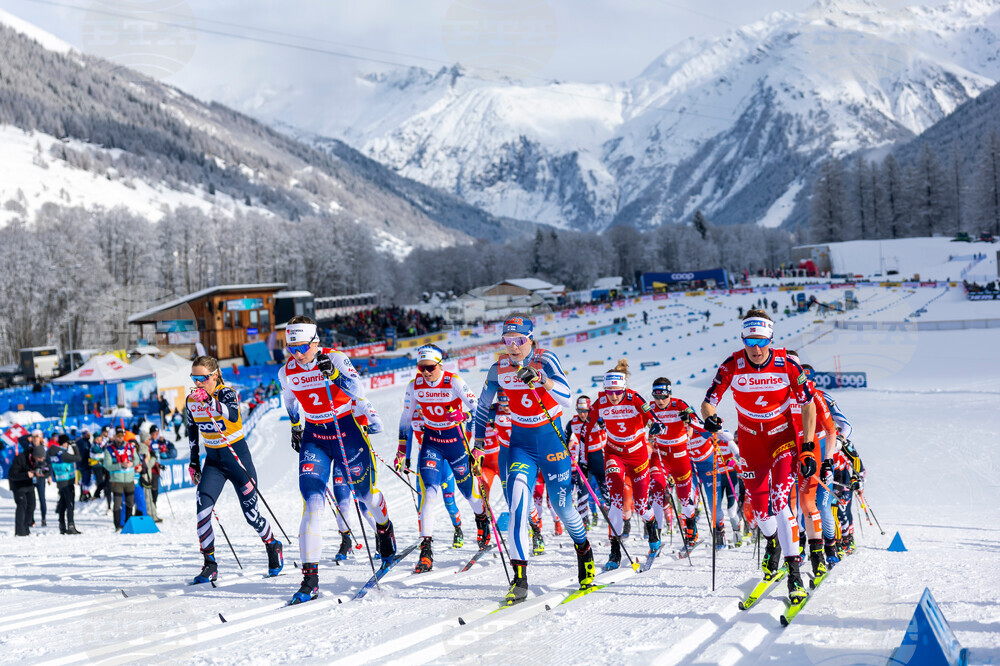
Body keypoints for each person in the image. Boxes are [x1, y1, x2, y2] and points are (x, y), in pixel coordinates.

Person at [473, 315, 594, 605]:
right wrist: (478, 443)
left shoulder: (545, 359)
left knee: (564, 509)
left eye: (520, 340)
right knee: (517, 508)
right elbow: (481, 406)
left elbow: (567, 397)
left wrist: (543, 380)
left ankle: (584, 550)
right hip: (521, 447)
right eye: (507, 340)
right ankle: (520, 578)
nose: (514, 346)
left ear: (530, 339)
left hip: (552, 444)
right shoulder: (499, 368)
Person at [279, 316, 396, 604]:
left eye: (302, 346)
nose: (297, 353)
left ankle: (385, 529)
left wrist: (334, 376)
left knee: (365, 494)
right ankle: (310, 580)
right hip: (315, 436)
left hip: (346, 430)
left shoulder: (337, 359)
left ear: (315, 341)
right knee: (313, 501)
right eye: (291, 347)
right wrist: (296, 426)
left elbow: (359, 392)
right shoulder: (287, 371)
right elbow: (290, 399)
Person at [701, 309, 815, 604]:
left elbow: (808, 405)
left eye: (761, 340)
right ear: (743, 338)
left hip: (781, 438)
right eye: (750, 340)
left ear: (770, 338)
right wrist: (710, 418)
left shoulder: (786, 363)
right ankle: (773, 543)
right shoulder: (732, 365)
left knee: (779, 501)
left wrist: (808, 447)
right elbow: (708, 402)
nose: (756, 347)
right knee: (760, 508)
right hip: (750, 442)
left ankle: (794, 573)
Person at [187, 356, 283, 583]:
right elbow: (192, 430)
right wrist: (193, 462)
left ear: (215, 375)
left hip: (238, 462)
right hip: (213, 463)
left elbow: (232, 414)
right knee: (202, 514)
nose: (198, 383)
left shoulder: (226, 393)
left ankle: (272, 545)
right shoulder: (191, 400)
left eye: (203, 378)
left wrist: (209, 402)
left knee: (251, 516)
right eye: (194, 378)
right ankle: (210, 565)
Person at [398, 344, 487, 573]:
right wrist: (402, 452)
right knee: (428, 494)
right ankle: (426, 550)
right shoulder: (414, 386)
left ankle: (482, 521)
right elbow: (406, 419)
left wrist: (465, 416)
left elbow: (479, 410)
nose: (425, 373)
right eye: (421, 368)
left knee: (469, 493)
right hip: (431, 443)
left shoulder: (453, 381)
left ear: (439, 364)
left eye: (429, 367)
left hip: (456, 442)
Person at [582, 360, 658, 568]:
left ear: (623, 388)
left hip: (638, 455)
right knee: (615, 503)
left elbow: (651, 415)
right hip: (614, 453)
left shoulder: (633, 398)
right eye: (609, 391)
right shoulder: (600, 403)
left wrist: (656, 426)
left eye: (617, 391)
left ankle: (652, 528)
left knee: (642, 506)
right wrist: (582, 455)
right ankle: (614, 550)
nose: (613, 396)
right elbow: (585, 431)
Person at [646, 378, 699, 550]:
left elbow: (697, 422)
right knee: (658, 493)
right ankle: (656, 537)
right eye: (656, 396)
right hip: (659, 455)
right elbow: (640, 427)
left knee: (684, 500)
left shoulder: (679, 404)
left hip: (679, 456)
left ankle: (691, 527)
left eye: (664, 396)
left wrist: (688, 419)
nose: (660, 401)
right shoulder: (650, 408)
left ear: (670, 394)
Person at [103, 427, 140, 531]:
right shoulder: (109, 449)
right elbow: (107, 465)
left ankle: (128, 524)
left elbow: (137, 460)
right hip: (117, 480)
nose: (120, 438)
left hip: (129, 479)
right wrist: (120, 465)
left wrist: (132, 463)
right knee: (117, 504)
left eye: (122, 435)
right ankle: (117, 526)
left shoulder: (130, 447)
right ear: (114, 436)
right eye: (118, 436)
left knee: (129, 503)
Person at [9, 445, 47, 536]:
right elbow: (12, 475)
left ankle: (26, 528)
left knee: (31, 506)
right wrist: (26, 474)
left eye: (43, 458)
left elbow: (47, 470)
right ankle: (19, 531)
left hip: (29, 485)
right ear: (34, 455)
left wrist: (42, 474)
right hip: (18, 486)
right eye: (40, 458)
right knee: (22, 505)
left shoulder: (39, 461)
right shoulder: (20, 458)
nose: (41, 460)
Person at [49, 434, 82, 534]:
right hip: (67, 482)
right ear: (65, 443)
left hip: (60, 481)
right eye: (68, 443)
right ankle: (71, 526)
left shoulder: (52, 453)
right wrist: (75, 446)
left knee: (62, 504)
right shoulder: (62, 454)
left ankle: (62, 526)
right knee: (70, 505)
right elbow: (78, 457)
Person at [89, 428, 111, 510]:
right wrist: (104, 447)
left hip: (102, 465)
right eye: (98, 437)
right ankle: (96, 494)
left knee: (106, 480)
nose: (100, 439)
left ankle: (103, 493)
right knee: (100, 482)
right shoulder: (94, 445)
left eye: (100, 437)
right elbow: (99, 452)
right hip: (96, 465)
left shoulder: (99, 444)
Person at [76, 428, 92, 501]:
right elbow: (81, 455)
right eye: (87, 434)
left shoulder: (87, 442)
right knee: (84, 480)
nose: (88, 436)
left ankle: (85, 493)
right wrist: (79, 465)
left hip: (86, 464)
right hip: (83, 465)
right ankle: (83, 494)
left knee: (86, 480)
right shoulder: (82, 443)